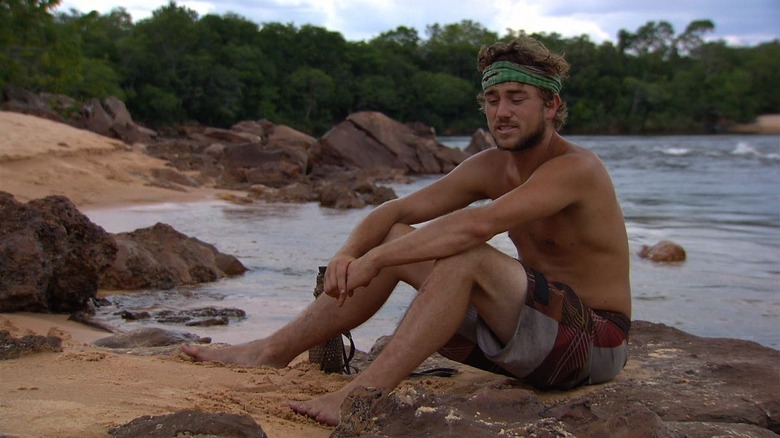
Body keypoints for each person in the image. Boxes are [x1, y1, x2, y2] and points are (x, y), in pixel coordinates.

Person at [182, 35, 632, 427]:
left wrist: (375, 261)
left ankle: (362, 394)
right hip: (526, 336)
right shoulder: (493, 167)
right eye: (493, 99)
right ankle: (273, 351)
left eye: (517, 98)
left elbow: (477, 225)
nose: (502, 112)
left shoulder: (577, 169)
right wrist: (349, 253)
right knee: (395, 234)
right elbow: (395, 209)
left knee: (465, 255)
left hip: (594, 343)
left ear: (551, 106)